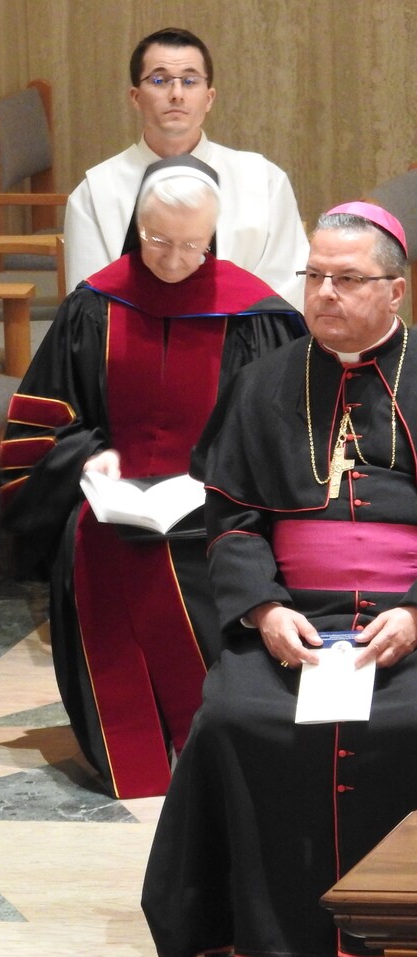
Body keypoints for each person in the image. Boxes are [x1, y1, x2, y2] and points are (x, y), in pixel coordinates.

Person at [142, 204, 417, 957]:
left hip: (409, 621)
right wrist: (263, 610)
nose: (325, 293)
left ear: (396, 292)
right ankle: (258, 931)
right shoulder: (264, 380)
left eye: (348, 279)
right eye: (315, 276)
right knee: (235, 718)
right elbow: (230, 520)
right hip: (298, 616)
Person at [0, 156, 303, 799]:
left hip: (218, 500)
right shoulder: (93, 306)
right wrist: (86, 454)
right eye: (158, 240)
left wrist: (222, 476)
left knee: (218, 548)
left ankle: (213, 739)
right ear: (137, 226)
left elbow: (285, 428)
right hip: (110, 503)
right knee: (92, 542)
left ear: (215, 235)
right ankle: (132, 750)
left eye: (192, 244)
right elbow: (42, 420)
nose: (172, 259)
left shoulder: (258, 315)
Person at [64, 27, 308, 304]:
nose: (176, 93)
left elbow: (287, 285)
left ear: (209, 98)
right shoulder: (95, 192)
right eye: (159, 80)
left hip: (248, 341)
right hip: (132, 341)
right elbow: (86, 305)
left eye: (190, 81)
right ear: (135, 97)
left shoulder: (264, 180)